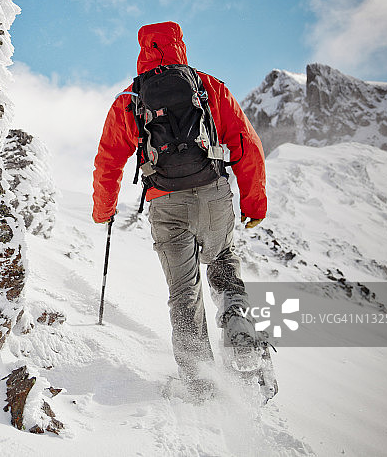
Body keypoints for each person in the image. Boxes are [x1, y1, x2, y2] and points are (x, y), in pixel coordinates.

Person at [91, 21, 267, 400]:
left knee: (184, 292)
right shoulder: (209, 87)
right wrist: (254, 203)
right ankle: (237, 320)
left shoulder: (130, 99)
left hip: (165, 202)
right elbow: (247, 144)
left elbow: (109, 161)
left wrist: (103, 210)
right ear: (179, 45)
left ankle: (199, 383)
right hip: (213, 193)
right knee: (222, 261)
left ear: (142, 49)